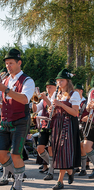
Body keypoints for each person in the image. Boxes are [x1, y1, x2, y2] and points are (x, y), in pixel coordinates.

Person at [0, 48, 35, 190]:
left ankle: (18, 185)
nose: (8, 66)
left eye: (11, 63)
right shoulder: (5, 80)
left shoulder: (27, 80)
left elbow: (25, 99)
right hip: (5, 121)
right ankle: (18, 175)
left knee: (15, 154)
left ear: (19, 63)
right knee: (1, 155)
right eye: (7, 63)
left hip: (21, 120)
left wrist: (5, 90)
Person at [49, 68, 81, 189]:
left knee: (64, 152)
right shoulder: (57, 94)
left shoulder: (74, 94)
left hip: (68, 124)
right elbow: (53, 111)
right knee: (59, 152)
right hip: (57, 124)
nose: (59, 83)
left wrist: (61, 104)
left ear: (67, 81)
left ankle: (60, 181)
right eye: (58, 81)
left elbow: (75, 112)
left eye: (61, 80)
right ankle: (70, 171)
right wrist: (51, 110)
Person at [32, 78, 57, 180]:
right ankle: (52, 165)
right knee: (40, 149)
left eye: (50, 87)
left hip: (55, 126)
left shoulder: (57, 97)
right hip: (44, 126)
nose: (48, 89)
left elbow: (53, 108)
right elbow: (35, 109)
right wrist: (34, 100)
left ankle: (50, 171)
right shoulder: (43, 100)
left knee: (51, 149)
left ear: (55, 87)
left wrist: (45, 99)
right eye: (47, 87)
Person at [74, 83, 88, 176]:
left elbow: (92, 113)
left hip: (83, 126)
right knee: (75, 146)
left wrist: (88, 117)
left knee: (82, 146)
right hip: (74, 125)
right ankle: (75, 165)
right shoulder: (72, 100)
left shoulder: (86, 101)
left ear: (81, 91)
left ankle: (83, 168)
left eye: (77, 91)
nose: (75, 93)